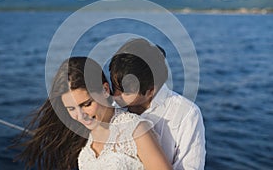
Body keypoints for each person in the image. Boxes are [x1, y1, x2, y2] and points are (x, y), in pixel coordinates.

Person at [15, 56, 171, 170]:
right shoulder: (84, 138)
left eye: (87, 104)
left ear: (104, 90)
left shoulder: (134, 129)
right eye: (71, 109)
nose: (81, 116)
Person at [109, 38, 206, 170]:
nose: (115, 96)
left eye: (125, 92)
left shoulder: (186, 114)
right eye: (114, 87)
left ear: (150, 91)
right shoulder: (110, 108)